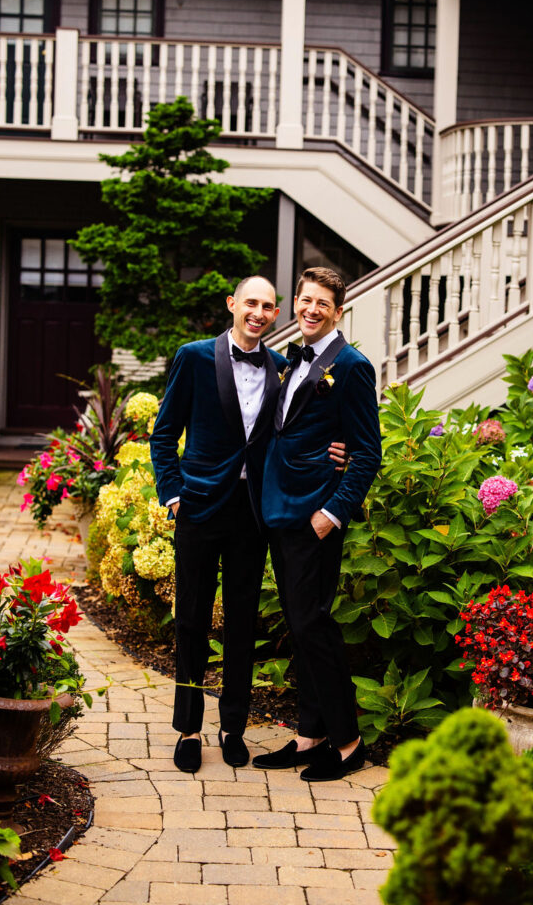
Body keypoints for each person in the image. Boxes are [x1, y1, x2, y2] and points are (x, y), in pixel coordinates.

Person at [150, 275, 345, 774]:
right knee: (192, 618)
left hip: (253, 512)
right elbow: (165, 432)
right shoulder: (193, 356)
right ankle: (189, 729)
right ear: (232, 304)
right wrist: (172, 493)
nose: (258, 312)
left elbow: (300, 427)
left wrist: (334, 454)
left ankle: (232, 726)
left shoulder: (283, 367)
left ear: (276, 314)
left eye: (268, 306)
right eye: (250, 303)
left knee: (241, 622)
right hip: (198, 505)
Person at [254, 266, 382, 782]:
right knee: (300, 627)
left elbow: (368, 453)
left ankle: (349, 742)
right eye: (305, 300)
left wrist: (331, 515)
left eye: (321, 304)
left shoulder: (351, 366)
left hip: (315, 518)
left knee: (314, 624)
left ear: (338, 312)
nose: (310, 310)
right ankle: (310, 735)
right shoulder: (291, 357)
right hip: (280, 511)